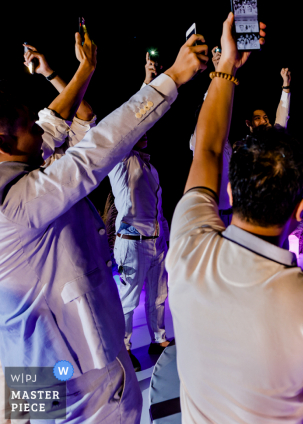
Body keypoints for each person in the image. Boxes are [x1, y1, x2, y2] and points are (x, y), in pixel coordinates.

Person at [165, 13, 303, 424]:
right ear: (299, 210)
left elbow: (206, 152)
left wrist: (226, 70)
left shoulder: (189, 247)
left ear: (233, 190)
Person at [0, 26, 205, 421]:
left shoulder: (11, 170)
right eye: (30, 127)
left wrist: (85, 68)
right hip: (76, 381)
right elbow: (99, 145)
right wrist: (173, 77)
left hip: (33, 370)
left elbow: (56, 120)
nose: (43, 131)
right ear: (5, 139)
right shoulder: (16, 205)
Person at [187, 48, 291, 226]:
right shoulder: (233, 147)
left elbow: (281, 120)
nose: (264, 121)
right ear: (248, 123)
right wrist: (219, 75)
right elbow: (210, 117)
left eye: (266, 118)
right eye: (258, 119)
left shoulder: (270, 142)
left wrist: (286, 88)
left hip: (253, 213)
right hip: (215, 215)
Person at [108, 98, 173, 371]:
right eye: (139, 130)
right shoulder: (121, 161)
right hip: (132, 243)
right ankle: (123, 349)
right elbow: (129, 124)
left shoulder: (149, 166)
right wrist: (147, 88)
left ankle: (158, 340)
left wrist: (164, 236)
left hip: (155, 241)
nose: (144, 132)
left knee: (159, 295)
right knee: (128, 301)